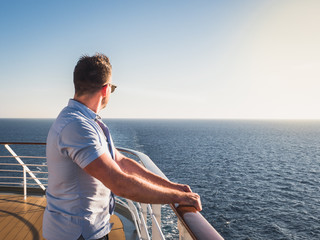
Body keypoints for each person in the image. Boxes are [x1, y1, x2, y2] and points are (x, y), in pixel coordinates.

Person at [43, 53, 201, 240]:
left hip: (89, 230)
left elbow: (121, 161)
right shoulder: (76, 126)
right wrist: (178, 198)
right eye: (112, 87)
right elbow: (118, 182)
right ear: (105, 89)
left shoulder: (87, 122)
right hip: (75, 234)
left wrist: (172, 187)